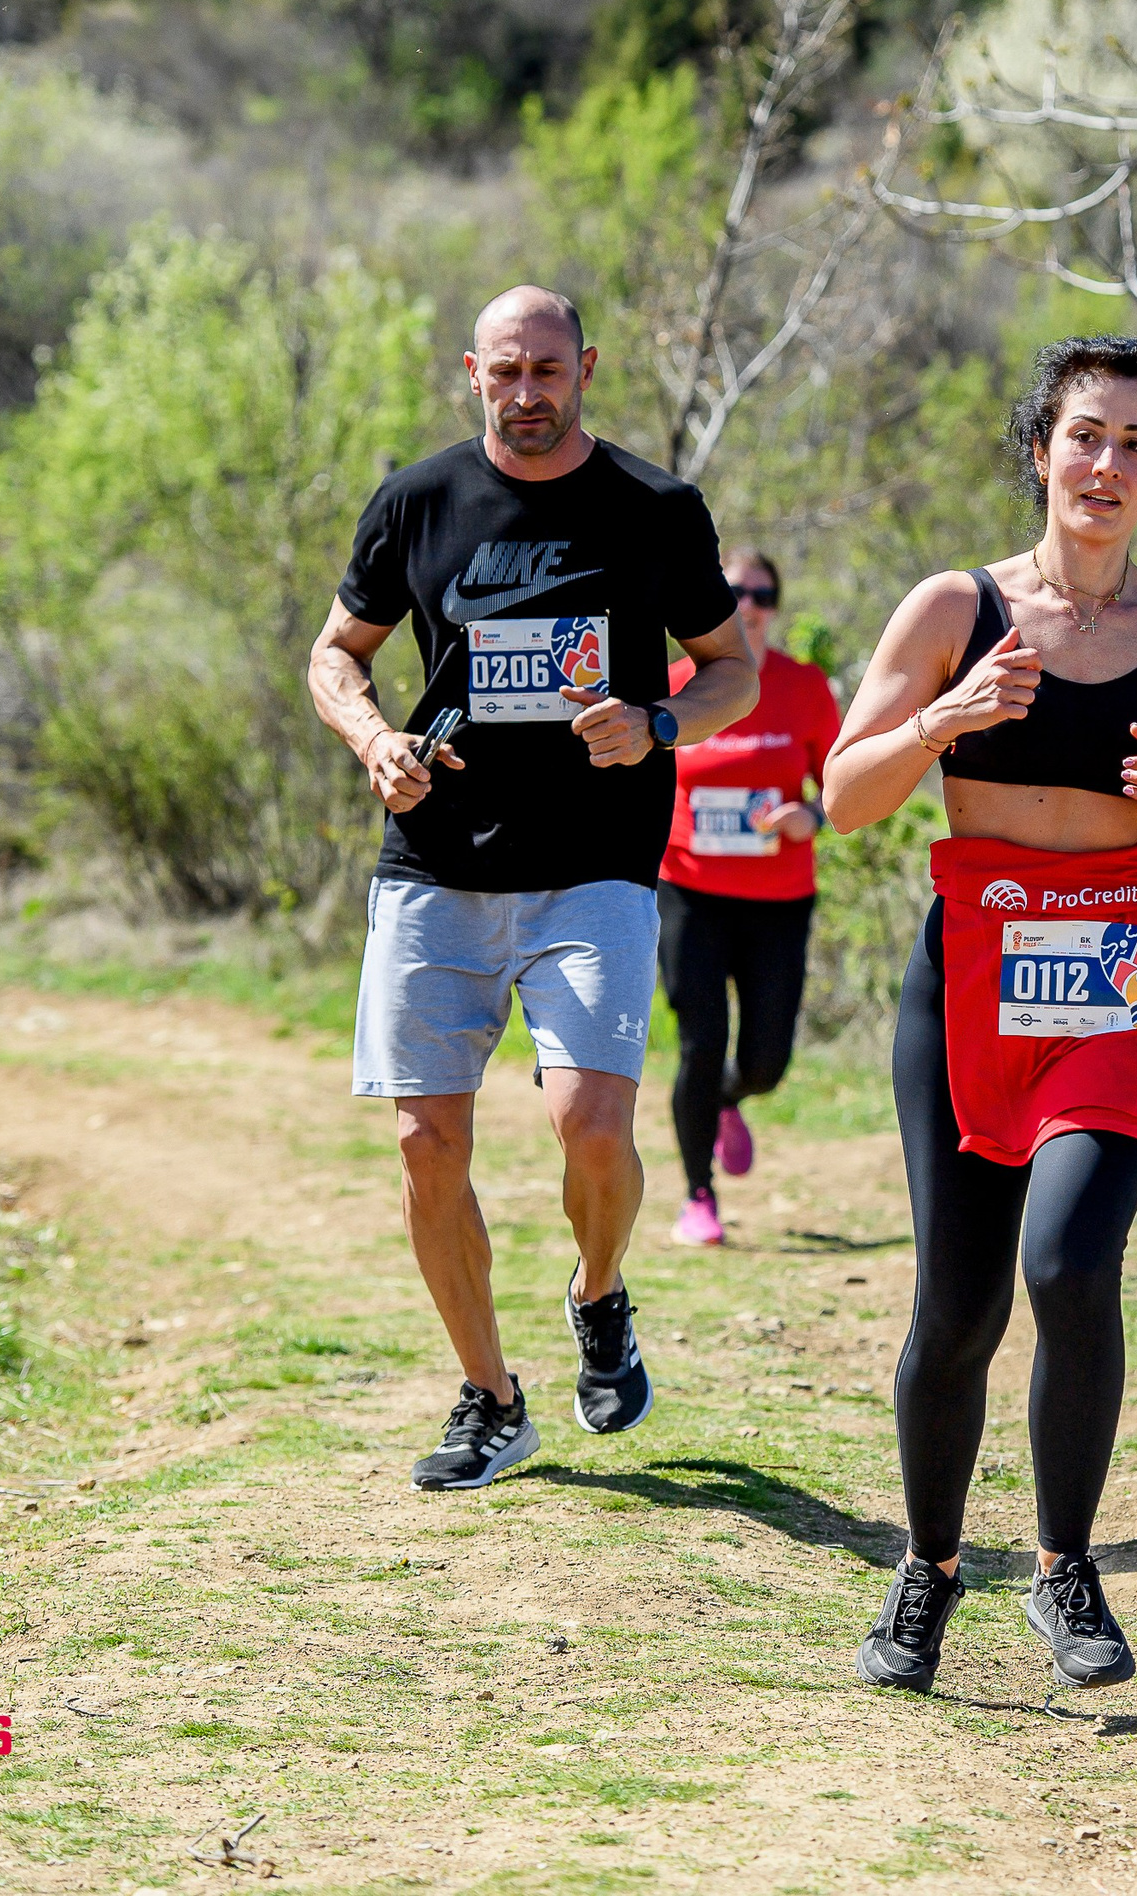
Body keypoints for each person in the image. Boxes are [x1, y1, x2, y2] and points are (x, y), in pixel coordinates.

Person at [822, 336, 1137, 1694]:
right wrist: (946, 716)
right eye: (1086, 436)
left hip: (1118, 972)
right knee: (957, 1312)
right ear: (1041, 451)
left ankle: (1066, 1569)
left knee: (1066, 1264)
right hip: (974, 968)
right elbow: (845, 795)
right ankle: (931, 1572)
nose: (1108, 463)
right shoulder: (955, 607)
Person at [307, 285, 759, 1487]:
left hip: (594, 866)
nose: (526, 394)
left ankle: (599, 1294)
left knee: (590, 1125)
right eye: (504, 372)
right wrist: (373, 741)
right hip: (435, 864)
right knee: (424, 1144)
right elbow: (336, 653)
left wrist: (658, 723)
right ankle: (491, 1398)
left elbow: (735, 672)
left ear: (586, 369)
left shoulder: (655, 507)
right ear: (471, 372)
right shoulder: (417, 500)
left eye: (546, 371)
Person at [656, 548, 841, 1247]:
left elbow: (841, 784)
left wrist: (812, 817)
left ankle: (730, 1099)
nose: (750, 605)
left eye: (764, 593)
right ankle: (698, 1195)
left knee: (767, 1061)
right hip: (690, 893)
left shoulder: (804, 688)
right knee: (700, 1043)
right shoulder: (675, 685)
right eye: (735, 591)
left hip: (779, 898)